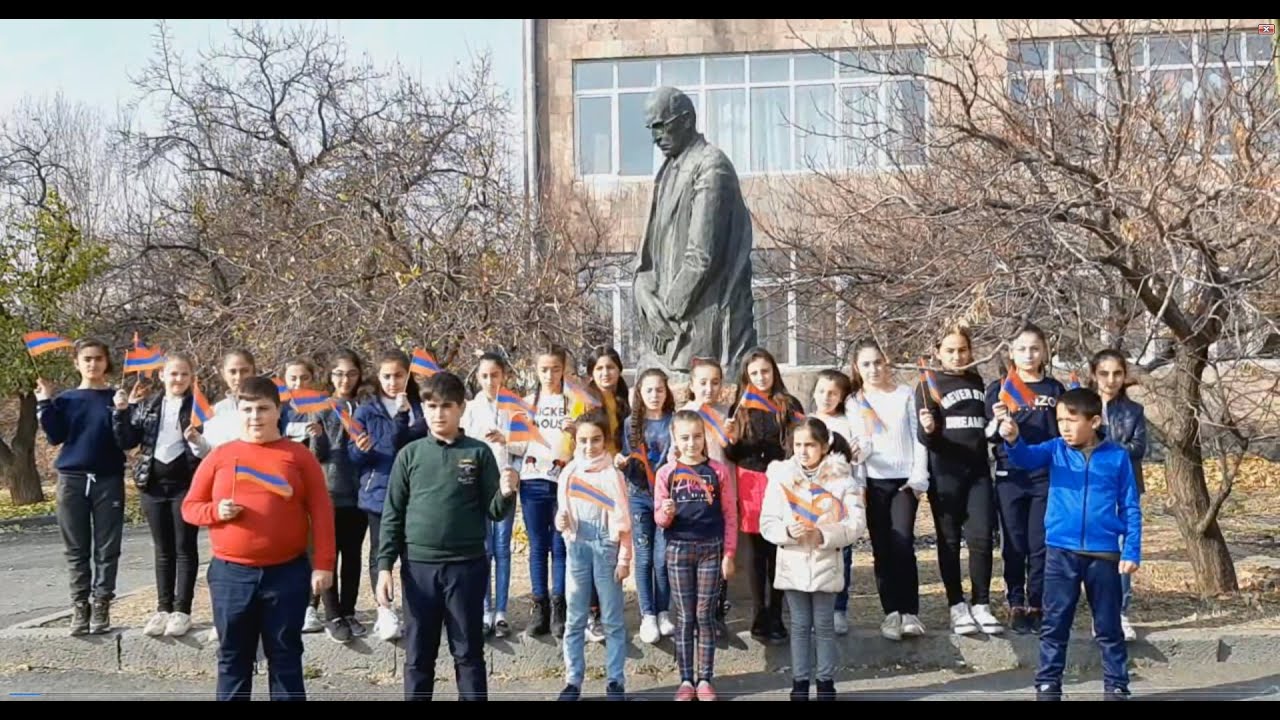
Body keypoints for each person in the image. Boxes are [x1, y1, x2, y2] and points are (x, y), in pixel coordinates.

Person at [181, 376, 336, 701]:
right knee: (233, 658)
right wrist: (216, 512)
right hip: (231, 575)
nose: (255, 416)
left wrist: (323, 564)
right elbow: (190, 508)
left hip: (286, 574)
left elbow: (321, 512)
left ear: (277, 410)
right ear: (239, 411)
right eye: (248, 409)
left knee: (286, 658)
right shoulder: (221, 456)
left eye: (263, 409)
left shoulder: (298, 456)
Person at [376, 371, 520, 701]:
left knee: (468, 653)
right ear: (423, 408)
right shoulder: (409, 455)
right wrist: (384, 566)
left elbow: (495, 510)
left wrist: (507, 492)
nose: (438, 413)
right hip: (419, 569)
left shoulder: (479, 452)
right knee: (418, 657)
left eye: (446, 406)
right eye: (431, 406)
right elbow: (392, 515)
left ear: (461, 408)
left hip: (467, 568)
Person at [997, 388, 1142, 701]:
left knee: (1108, 626)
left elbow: (1130, 505)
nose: (1064, 426)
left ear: (1094, 420)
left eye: (1071, 420)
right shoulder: (1055, 449)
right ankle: (1048, 685)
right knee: (1055, 623)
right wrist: (1012, 439)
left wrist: (1131, 550)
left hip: (1103, 555)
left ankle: (1116, 685)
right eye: (1060, 419)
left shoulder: (1117, 456)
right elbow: (1025, 458)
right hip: (1060, 552)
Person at [632, 86, 757, 378]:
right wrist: (646, 299)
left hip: (698, 332)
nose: (655, 136)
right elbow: (649, 255)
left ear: (687, 119)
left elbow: (701, 257)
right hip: (664, 331)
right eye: (651, 128)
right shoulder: (667, 171)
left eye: (662, 125)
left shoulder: (712, 167)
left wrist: (668, 312)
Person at [760, 418, 865, 702]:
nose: (803, 451)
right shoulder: (780, 477)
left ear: (824, 446)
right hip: (792, 563)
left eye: (810, 445)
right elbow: (767, 523)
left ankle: (826, 683)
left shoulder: (842, 479)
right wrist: (786, 532)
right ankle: (800, 683)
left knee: (824, 624)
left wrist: (825, 534)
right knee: (799, 624)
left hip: (825, 563)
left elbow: (856, 524)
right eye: (798, 445)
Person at [36, 338, 129, 636]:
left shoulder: (116, 397)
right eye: (86, 359)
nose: (93, 364)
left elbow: (126, 440)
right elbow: (55, 436)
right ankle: (80, 605)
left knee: (107, 547)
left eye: (98, 359)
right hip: (72, 481)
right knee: (76, 549)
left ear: (106, 363)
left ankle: (101, 602)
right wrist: (44, 402)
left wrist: (123, 411)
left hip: (108, 481)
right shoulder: (66, 400)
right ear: (77, 363)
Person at [916, 325, 1002, 636]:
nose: (957, 355)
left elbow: (986, 427)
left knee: (981, 538)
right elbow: (924, 437)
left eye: (962, 349)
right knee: (949, 541)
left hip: (978, 472)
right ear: (938, 352)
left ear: (971, 351)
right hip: (945, 474)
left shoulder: (979, 382)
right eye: (950, 350)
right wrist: (927, 428)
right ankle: (957, 604)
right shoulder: (928, 383)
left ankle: (982, 602)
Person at [112, 353, 206, 638]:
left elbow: (207, 444)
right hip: (153, 484)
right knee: (162, 549)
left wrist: (197, 438)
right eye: (172, 374)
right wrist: (121, 412)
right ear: (162, 376)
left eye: (183, 375)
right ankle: (163, 607)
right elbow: (128, 440)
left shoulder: (198, 408)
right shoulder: (149, 405)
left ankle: (182, 610)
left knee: (184, 547)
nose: (178, 379)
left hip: (185, 484)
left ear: (191, 378)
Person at [985, 323, 1065, 635]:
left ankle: (1037, 602)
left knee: (1039, 543)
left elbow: (1063, 431)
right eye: (1021, 349)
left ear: (1045, 350)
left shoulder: (1055, 390)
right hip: (1010, 475)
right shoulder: (1001, 387)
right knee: (1014, 543)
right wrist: (999, 426)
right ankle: (1016, 601)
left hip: (1044, 476)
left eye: (1034, 348)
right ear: (1011, 353)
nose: (1028, 354)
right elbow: (988, 434)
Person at [848, 341, 930, 641]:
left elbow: (919, 436)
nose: (873, 369)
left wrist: (918, 478)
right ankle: (891, 613)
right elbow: (858, 443)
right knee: (882, 547)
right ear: (857, 367)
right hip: (874, 483)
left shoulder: (905, 395)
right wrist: (860, 453)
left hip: (904, 482)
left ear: (887, 363)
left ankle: (910, 611)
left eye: (878, 362)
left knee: (904, 543)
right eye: (866, 364)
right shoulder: (855, 402)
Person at [656, 410, 738, 702]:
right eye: (685, 437)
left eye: (697, 436)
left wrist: (729, 553)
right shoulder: (667, 473)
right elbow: (659, 519)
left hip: (711, 550)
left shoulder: (717, 471)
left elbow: (730, 514)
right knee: (685, 617)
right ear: (675, 439)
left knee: (705, 616)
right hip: (678, 549)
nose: (692, 443)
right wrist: (666, 514)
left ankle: (705, 678)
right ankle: (686, 680)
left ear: (705, 437)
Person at [726, 347, 803, 642]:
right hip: (750, 481)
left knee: (779, 549)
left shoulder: (788, 403)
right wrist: (730, 439)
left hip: (780, 480)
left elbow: (797, 441)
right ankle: (760, 614)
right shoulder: (741, 405)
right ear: (746, 375)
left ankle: (776, 614)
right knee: (758, 552)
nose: (761, 377)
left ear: (775, 371)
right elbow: (734, 452)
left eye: (766, 371)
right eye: (754, 372)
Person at [554, 411, 632, 701]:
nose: (590, 446)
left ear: (605, 440)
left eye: (596, 440)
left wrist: (624, 559)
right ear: (576, 441)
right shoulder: (569, 473)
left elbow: (624, 522)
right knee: (575, 619)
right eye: (583, 440)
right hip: (577, 549)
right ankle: (573, 681)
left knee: (611, 619)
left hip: (606, 549)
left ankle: (615, 681)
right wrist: (560, 522)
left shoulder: (613, 475)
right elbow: (563, 515)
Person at [350, 349, 427, 641]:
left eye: (398, 375)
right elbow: (353, 457)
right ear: (377, 376)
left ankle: (414, 611)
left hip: (413, 492)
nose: (393, 382)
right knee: (380, 554)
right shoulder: (366, 408)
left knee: (412, 554)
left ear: (408, 376)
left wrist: (404, 414)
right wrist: (359, 450)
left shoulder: (418, 405)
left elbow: (405, 442)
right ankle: (384, 610)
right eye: (386, 376)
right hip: (378, 492)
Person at [515, 344, 575, 638]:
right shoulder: (527, 403)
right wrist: (511, 434)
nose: (550, 374)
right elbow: (516, 446)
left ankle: (559, 605)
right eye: (544, 369)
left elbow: (588, 438)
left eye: (555, 368)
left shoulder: (573, 401)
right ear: (535, 370)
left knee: (560, 545)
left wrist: (576, 429)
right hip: (532, 480)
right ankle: (540, 606)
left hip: (564, 481)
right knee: (538, 546)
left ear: (564, 369)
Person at [1090, 349, 1148, 642]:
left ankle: (1120, 612)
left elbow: (1139, 448)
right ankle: (1099, 612)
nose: (1110, 380)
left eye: (1117, 373)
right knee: (1099, 550)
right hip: (1091, 488)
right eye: (1104, 373)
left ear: (1124, 376)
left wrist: (1107, 446)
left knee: (1124, 548)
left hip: (1125, 486)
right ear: (1093, 375)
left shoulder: (1133, 411)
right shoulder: (1084, 406)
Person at [461, 351, 520, 638]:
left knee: (502, 549)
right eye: (484, 376)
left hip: (506, 484)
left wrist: (506, 439)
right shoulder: (471, 408)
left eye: (494, 375)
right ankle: (484, 610)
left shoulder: (514, 407)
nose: (489, 381)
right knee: (483, 549)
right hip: (478, 485)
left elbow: (526, 445)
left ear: (503, 375)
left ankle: (501, 612)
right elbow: (464, 443)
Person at [314, 349, 370, 643]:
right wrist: (318, 436)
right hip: (328, 493)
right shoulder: (322, 408)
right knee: (327, 556)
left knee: (352, 556)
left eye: (350, 373)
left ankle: (348, 610)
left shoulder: (364, 406)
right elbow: (315, 456)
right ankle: (332, 614)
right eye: (339, 373)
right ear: (330, 375)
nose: (345, 379)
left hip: (358, 492)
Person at [616, 368, 675, 644]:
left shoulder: (674, 422)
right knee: (644, 556)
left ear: (667, 392)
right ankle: (647, 614)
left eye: (659, 390)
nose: (654, 395)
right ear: (639, 393)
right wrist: (625, 466)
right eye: (649, 390)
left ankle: (663, 611)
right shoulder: (631, 424)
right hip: (640, 495)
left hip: (666, 498)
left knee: (663, 558)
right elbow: (629, 461)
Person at [679, 356, 737, 636]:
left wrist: (733, 436)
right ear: (692, 385)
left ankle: (717, 610)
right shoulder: (686, 415)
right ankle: (690, 613)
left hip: (723, 489)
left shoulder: (729, 414)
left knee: (719, 550)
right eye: (703, 383)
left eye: (715, 382)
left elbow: (734, 452)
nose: (709, 388)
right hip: (691, 493)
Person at [808, 368, 860, 636]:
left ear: (841, 396)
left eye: (832, 393)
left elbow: (857, 461)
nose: (826, 397)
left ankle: (839, 608)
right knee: (815, 554)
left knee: (842, 556)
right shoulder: (807, 422)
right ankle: (818, 610)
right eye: (821, 391)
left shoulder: (849, 422)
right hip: (812, 500)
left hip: (841, 500)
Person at [583, 346, 630, 643]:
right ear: (591, 373)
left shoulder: (624, 401)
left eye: (610, 367)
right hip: (592, 480)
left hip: (617, 477)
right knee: (592, 545)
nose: (605, 373)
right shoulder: (585, 401)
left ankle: (608, 609)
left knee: (612, 545)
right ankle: (591, 612)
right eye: (599, 369)